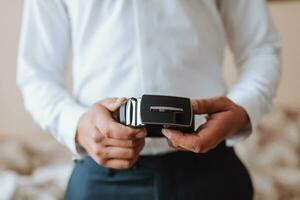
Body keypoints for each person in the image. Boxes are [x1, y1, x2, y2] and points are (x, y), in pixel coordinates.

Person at [17, 0, 281, 199]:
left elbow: (261, 49)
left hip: (211, 170)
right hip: (100, 175)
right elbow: (36, 74)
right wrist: (77, 125)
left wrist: (243, 109)